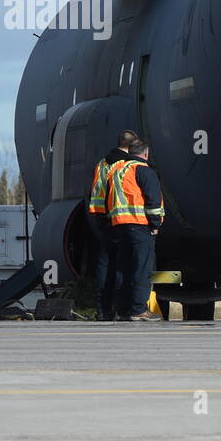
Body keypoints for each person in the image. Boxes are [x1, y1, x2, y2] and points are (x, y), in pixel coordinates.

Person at [107, 139, 165, 322]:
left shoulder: (116, 171)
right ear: (146, 154)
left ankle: (123, 309)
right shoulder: (144, 171)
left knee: (123, 267)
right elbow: (153, 202)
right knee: (142, 268)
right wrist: (155, 225)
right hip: (139, 225)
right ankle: (139, 309)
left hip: (119, 224)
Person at [87, 129, 137, 321]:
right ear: (131, 146)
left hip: (102, 218)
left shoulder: (102, 163)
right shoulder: (126, 164)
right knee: (122, 265)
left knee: (104, 263)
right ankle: (121, 307)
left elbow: (97, 190)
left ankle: (102, 308)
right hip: (122, 218)